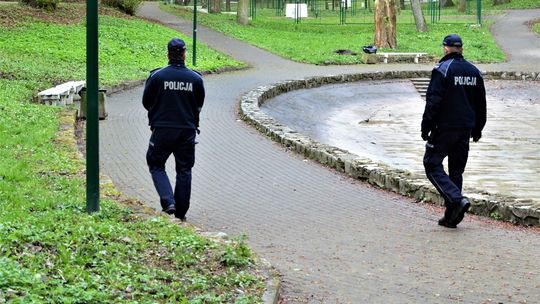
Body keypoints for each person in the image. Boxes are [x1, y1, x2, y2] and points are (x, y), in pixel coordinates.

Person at [421, 34, 486, 228]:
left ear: (445, 48)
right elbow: (481, 104)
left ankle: (456, 200)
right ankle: (451, 217)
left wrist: (426, 127)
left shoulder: (442, 70)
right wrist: (478, 128)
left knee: (431, 163)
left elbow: (433, 101)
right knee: (456, 172)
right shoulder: (475, 72)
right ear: (462, 49)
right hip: (465, 128)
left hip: (445, 127)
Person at [142, 38, 205, 221]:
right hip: (187, 130)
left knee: (155, 163)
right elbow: (199, 104)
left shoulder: (157, 77)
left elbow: (146, 102)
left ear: (168, 54)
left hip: (162, 129)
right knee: (184, 169)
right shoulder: (196, 79)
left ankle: (168, 201)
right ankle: (181, 212)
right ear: (184, 54)